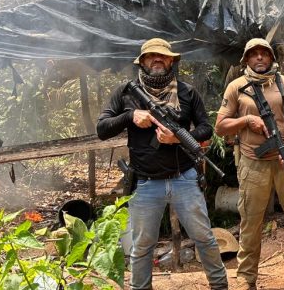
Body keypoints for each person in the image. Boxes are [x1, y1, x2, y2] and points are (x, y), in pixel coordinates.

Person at [96, 38, 228, 290]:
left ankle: (220, 286)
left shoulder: (188, 92)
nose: (157, 60)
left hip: (185, 178)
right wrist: (130, 116)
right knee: (142, 246)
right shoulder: (126, 93)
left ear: (171, 61)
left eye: (163, 56)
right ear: (143, 61)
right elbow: (101, 129)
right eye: (151, 56)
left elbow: (205, 129)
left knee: (204, 238)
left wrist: (176, 136)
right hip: (145, 183)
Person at [214, 38, 284, 289]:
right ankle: (246, 278)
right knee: (251, 223)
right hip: (253, 164)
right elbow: (220, 126)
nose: (259, 58)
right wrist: (246, 121)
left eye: (263, 54)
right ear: (246, 59)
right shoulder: (237, 87)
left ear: (271, 58)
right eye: (253, 54)